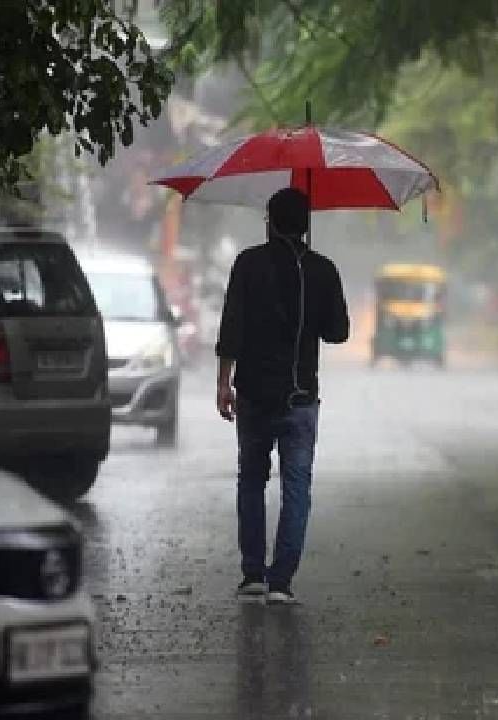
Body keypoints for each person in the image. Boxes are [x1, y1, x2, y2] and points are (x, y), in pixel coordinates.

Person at [215, 187, 350, 605]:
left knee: (251, 481)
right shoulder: (323, 270)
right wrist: (317, 294)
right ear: (307, 225)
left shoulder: (248, 264)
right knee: (296, 486)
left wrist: (224, 382)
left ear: (269, 221)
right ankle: (281, 582)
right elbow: (338, 332)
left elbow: (231, 327)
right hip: (301, 398)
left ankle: (253, 573)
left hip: (253, 395)